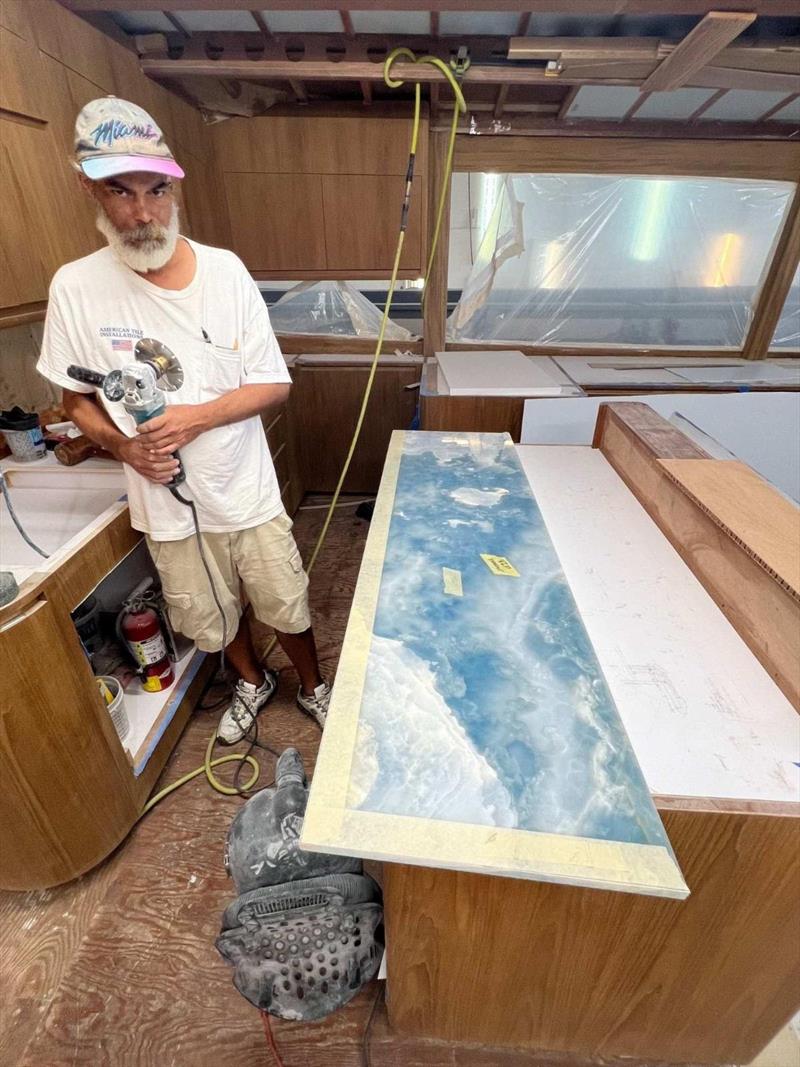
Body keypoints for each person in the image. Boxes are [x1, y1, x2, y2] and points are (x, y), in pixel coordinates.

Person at [36, 96, 331, 743]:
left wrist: (195, 418)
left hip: (245, 492)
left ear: (173, 187)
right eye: (121, 190)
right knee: (210, 617)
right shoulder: (75, 289)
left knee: (285, 598)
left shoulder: (223, 274)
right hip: (166, 508)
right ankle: (253, 682)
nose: (142, 211)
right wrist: (123, 446)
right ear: (90, 188)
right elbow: (73, 400)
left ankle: (313, 685)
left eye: (155, 189)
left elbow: (273, 382)